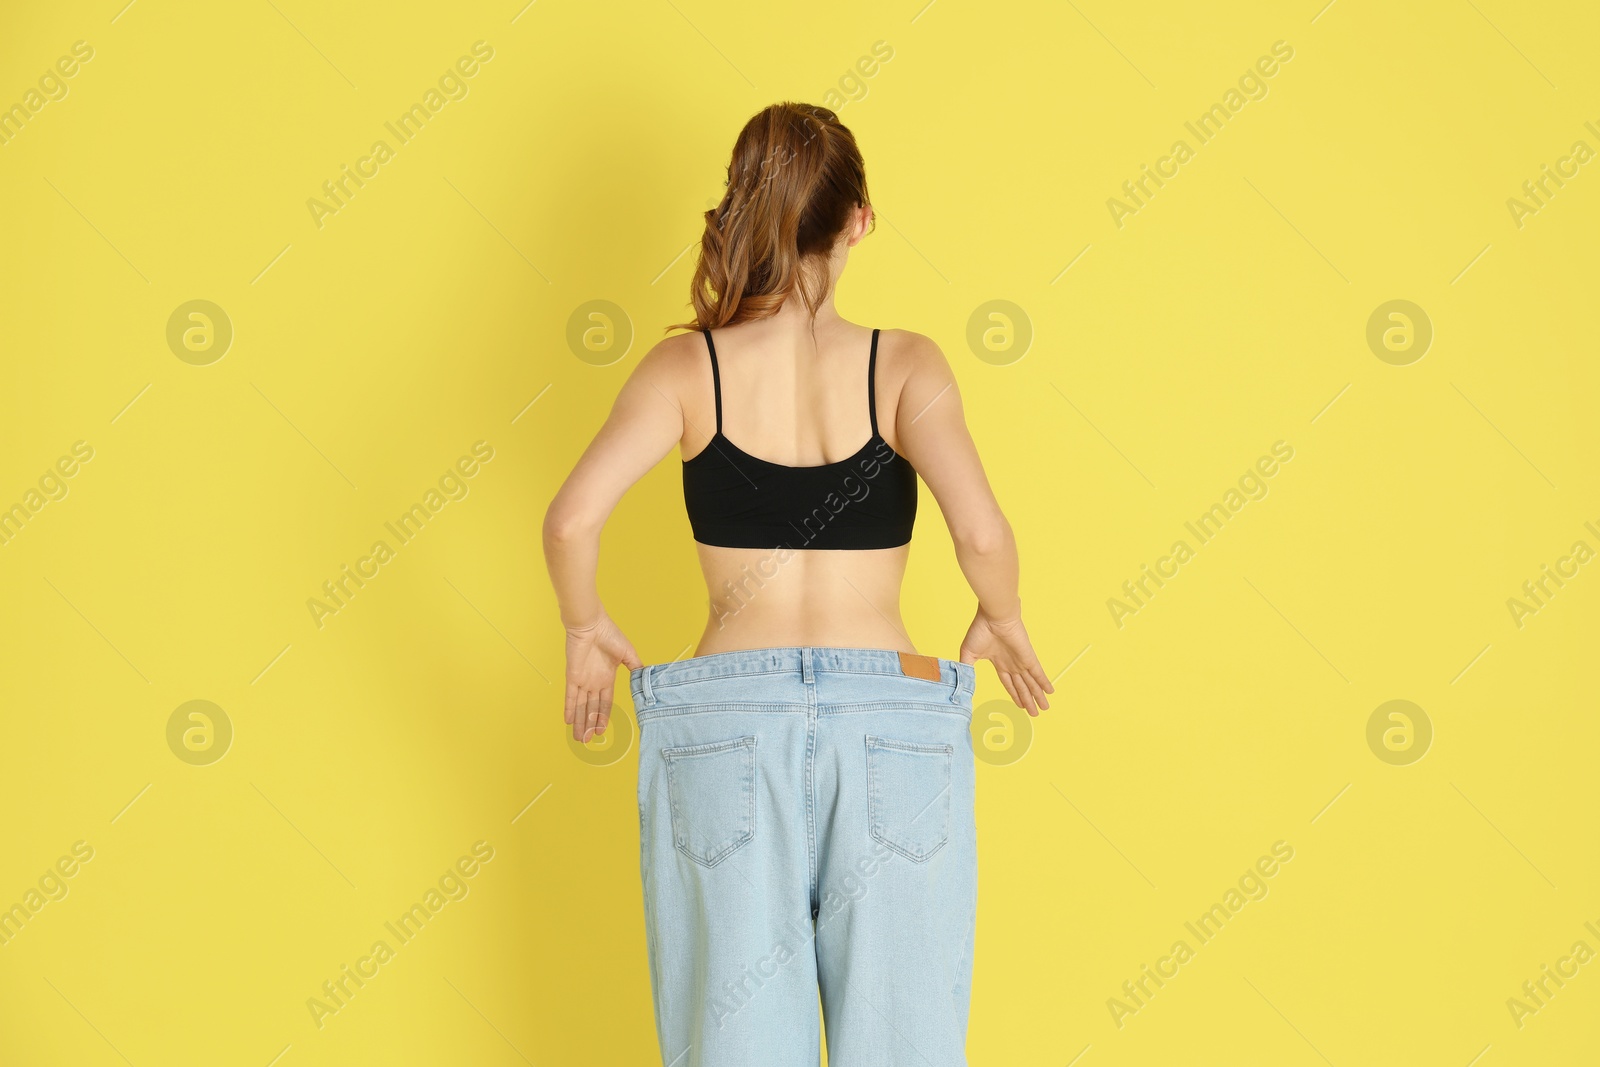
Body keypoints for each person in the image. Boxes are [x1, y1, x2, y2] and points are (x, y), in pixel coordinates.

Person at [543, 101, 1051, 1067]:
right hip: (889, 720)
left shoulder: (686, 367)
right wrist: (1001, 615)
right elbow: (981, 529)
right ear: (857, 218)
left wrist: (582, 625)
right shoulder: (905, 363)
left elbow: (570, 519)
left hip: (723, 723)